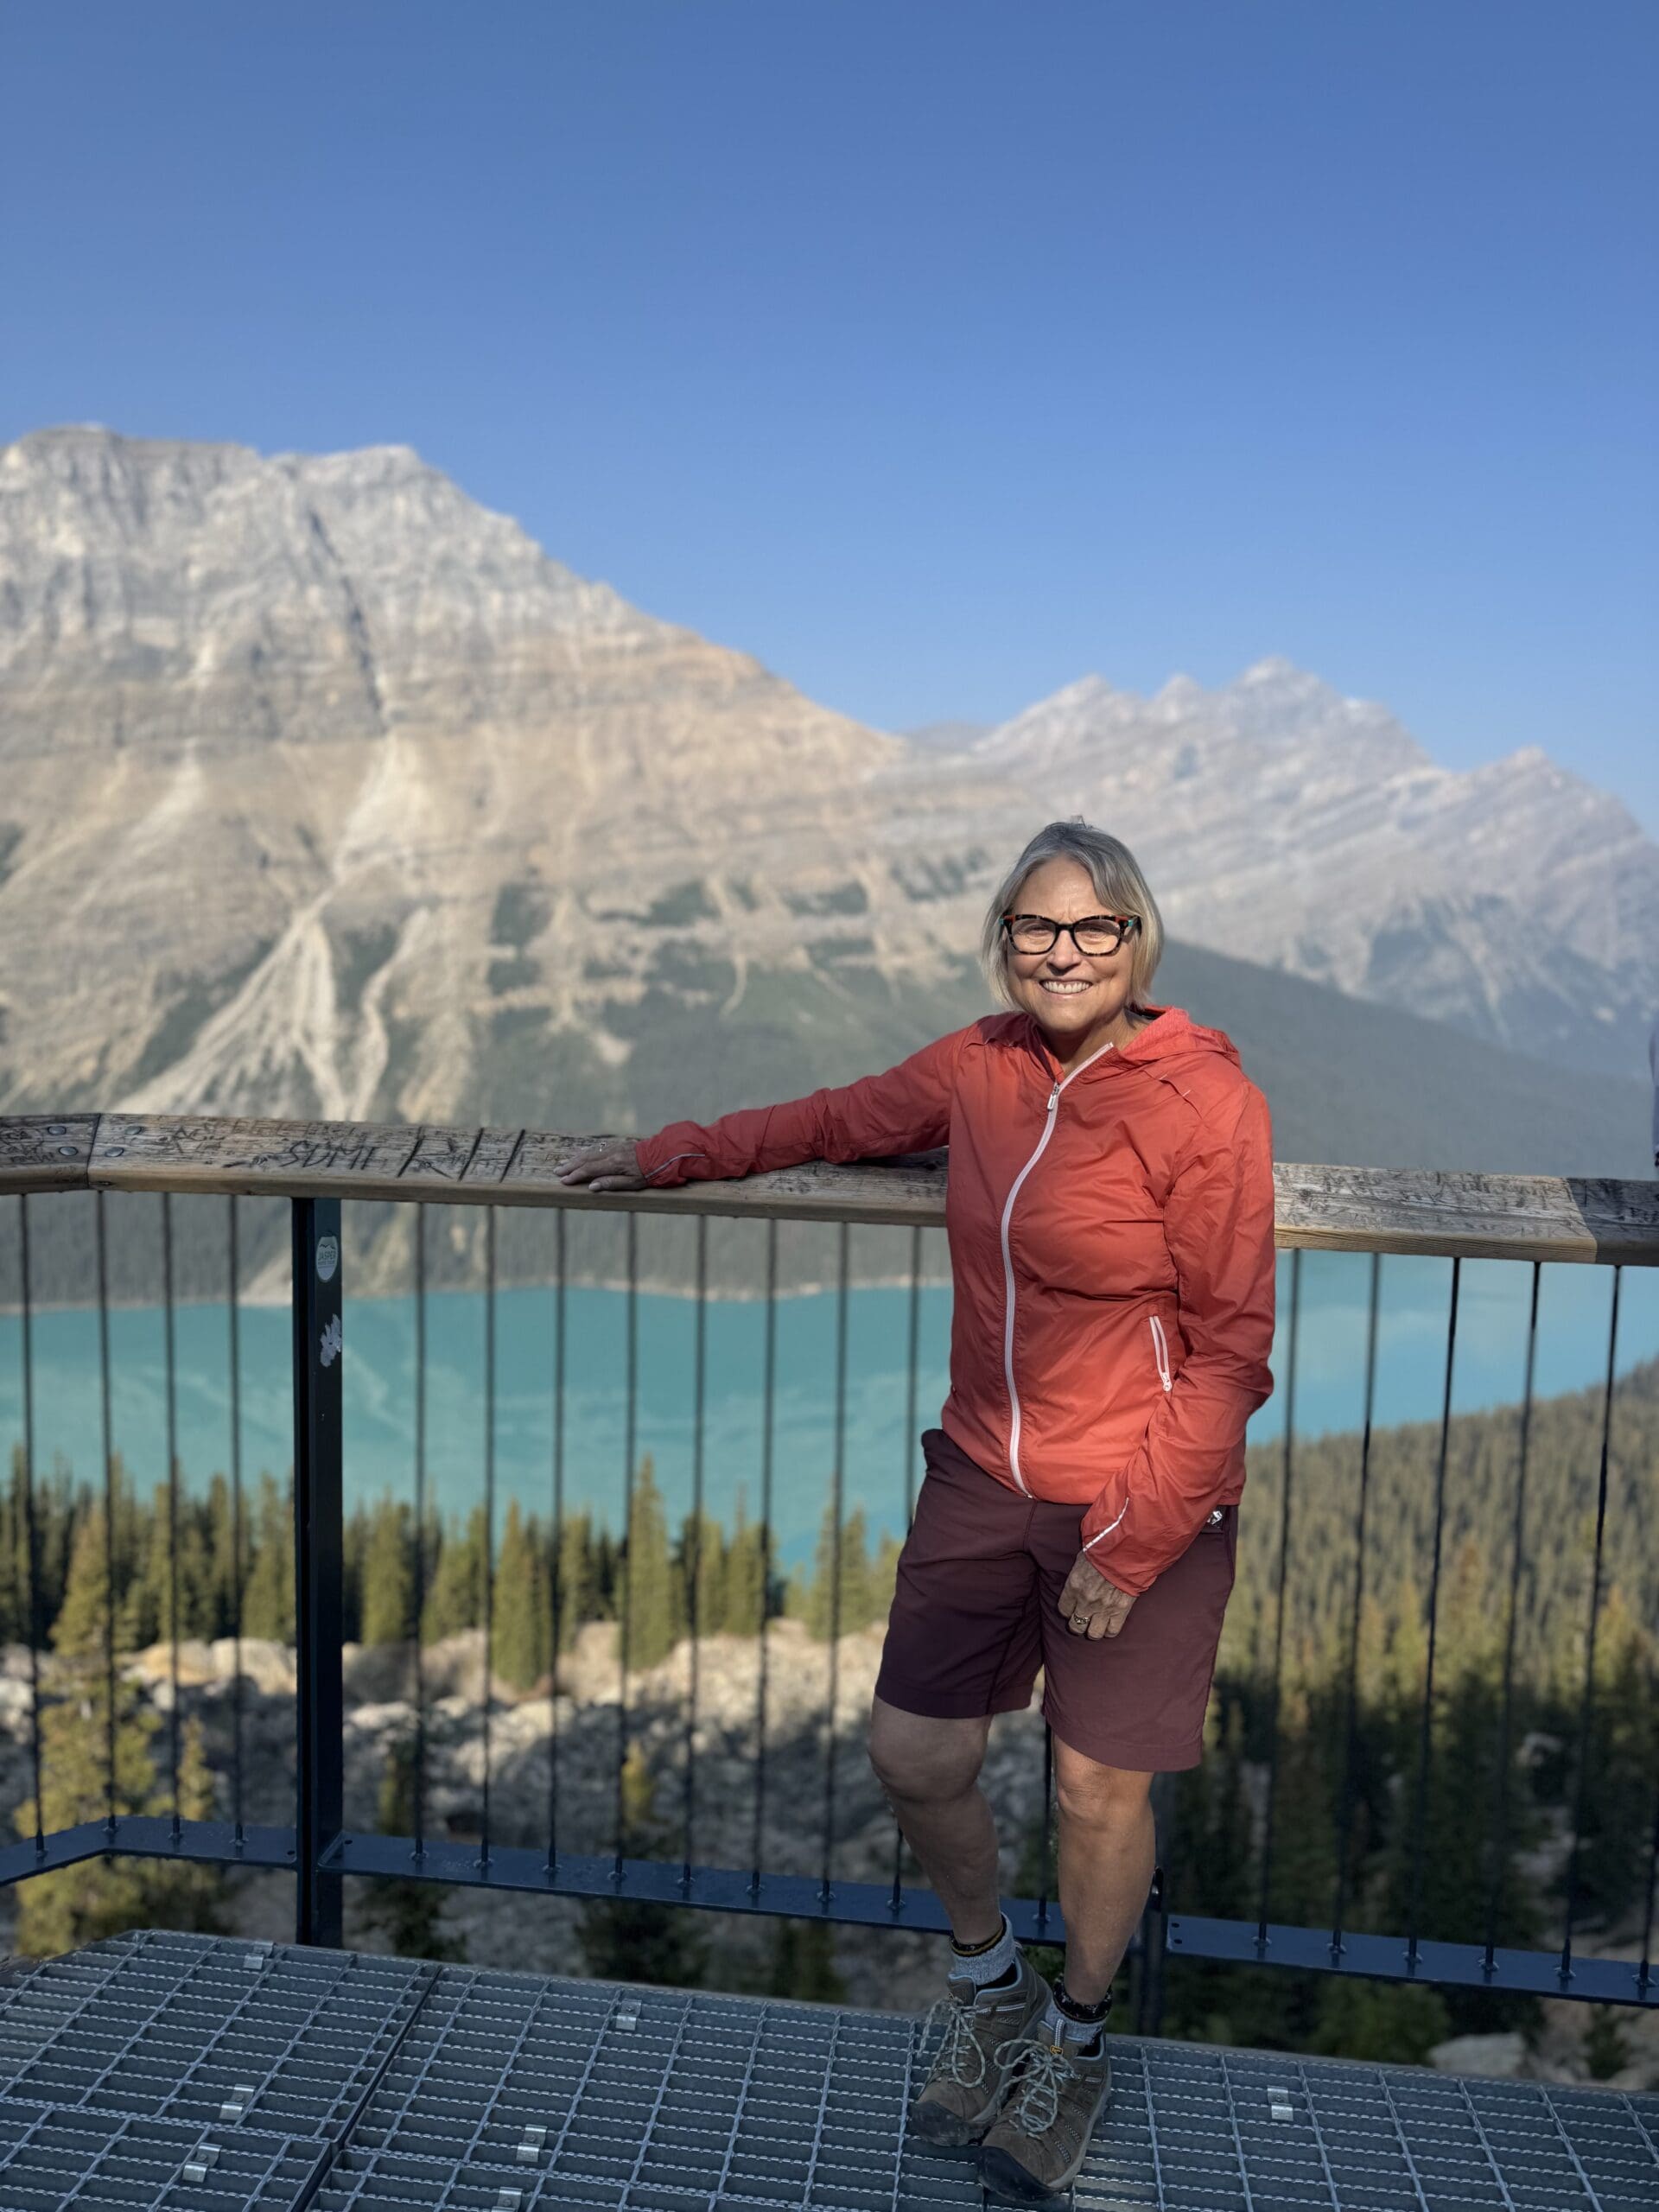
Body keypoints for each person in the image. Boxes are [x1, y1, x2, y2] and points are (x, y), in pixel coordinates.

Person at [559, 817, 1277, 2202]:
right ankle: (991, 1983)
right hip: (981, 1471)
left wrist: (1133, 1546)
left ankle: (1072, 2036)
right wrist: (672, 1153)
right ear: (1004, 940)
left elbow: (1231, 1348)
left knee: (1094, 1785)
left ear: (1139, 944)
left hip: (1141, 1496)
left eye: (1093, 930)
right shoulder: (983, 1065)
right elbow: (834, 1120)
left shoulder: (1201, 1103)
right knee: (915, 1753)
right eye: (1036, 928)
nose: (1062, 953)